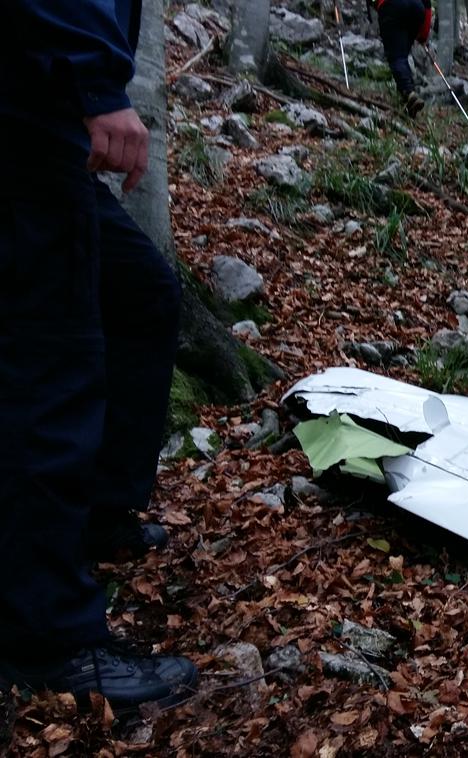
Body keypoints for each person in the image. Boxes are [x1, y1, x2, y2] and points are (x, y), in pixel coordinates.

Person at [0, 0, 197, 711]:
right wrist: (95, 85)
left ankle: (97, 513)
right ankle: (49, 636)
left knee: (141, 295)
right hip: (30, 108)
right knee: (49, 360)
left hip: (46, 110)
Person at [375, 0, 434, 116]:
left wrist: (377, 8)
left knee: (397, 56)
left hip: (390, 6)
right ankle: (407, 98)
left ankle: (408, 92)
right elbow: (427, 4)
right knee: (403, 54)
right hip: (416, 8)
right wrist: (423, 36)